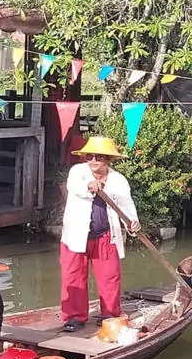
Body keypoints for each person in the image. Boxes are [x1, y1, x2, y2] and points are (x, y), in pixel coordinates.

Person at [60, 136, 141, 333]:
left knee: (110, 276)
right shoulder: (78, 172)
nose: (93, 160)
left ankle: (110, 314)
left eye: (99, 157)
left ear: (108, 160)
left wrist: (132, 222)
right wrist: (90, 186)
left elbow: (126, 205)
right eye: (90, 156)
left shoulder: (118, 180)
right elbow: (74, 187)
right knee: (73, 277)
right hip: (76, 236)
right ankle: (74, 317)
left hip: (105, 235)